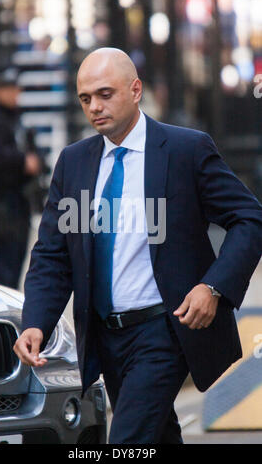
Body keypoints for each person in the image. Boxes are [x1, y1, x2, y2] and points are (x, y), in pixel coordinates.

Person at [13, 48, 262, 444]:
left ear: (135, 90)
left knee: (126, 441)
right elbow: (52, 253)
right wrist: (35, 322)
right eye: (85, 98)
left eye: (105, 94)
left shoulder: (185, 150)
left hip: (163, 330)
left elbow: (250, 218)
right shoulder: (73, 163)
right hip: (105, 336)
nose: (94, 107)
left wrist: (213, 287)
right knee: (158, 435)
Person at [0, 67, 42, 289]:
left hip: (21, 195)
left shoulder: (15, 117)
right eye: (9, 89)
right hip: (5, 196)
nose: (15, 94)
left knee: (18, 252)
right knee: (7, 255)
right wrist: (22, 161)